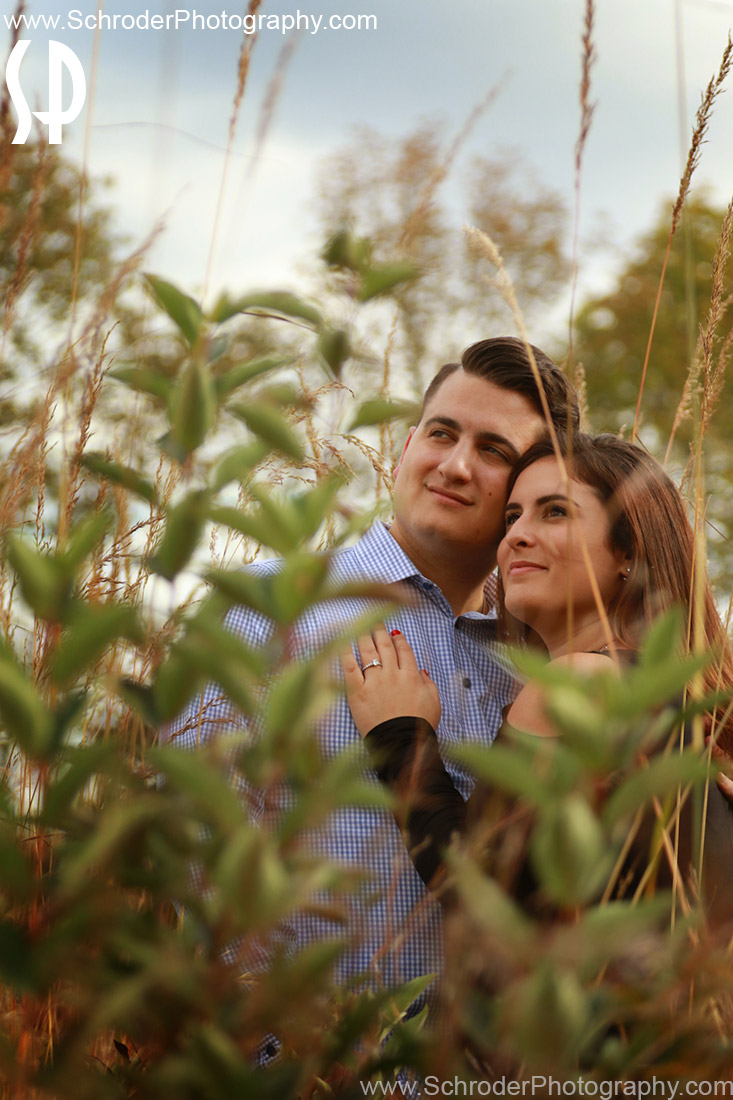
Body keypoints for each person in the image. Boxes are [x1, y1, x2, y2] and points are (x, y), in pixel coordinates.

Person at [162, 337, 580, 999]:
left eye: (493, 450)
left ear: (530, 489)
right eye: (441, 434)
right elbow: (193, 853)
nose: (455, 465)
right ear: (405, 445)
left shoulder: (536, 669)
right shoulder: (265, 608)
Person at [342, 433, 733, 927]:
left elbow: (480, 889)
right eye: (512, 517)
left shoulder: (576, 682)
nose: (515, 537)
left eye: (554, 512)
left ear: (628, 551)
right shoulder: (680, 700)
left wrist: (401, 738)